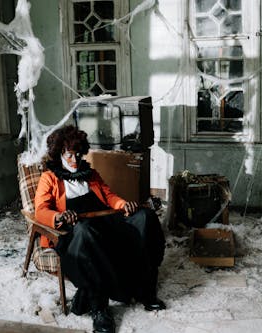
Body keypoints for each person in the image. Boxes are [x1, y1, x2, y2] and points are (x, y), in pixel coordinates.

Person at [34, 125, 166, 333]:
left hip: (104, 222)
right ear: (60, 152)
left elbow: (109, 196)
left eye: (78, 154)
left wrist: (123, 205)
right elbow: (40, 210)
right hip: (74, 233)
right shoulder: (49, 178)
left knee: (144, 217)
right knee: (86, 233)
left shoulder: (91, 174)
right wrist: (58, 216)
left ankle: (144, 290)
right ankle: (99, 307)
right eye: (69, 155)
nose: (75, 160)